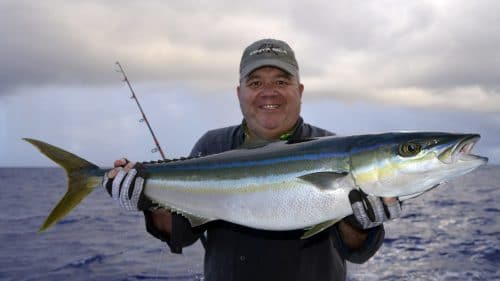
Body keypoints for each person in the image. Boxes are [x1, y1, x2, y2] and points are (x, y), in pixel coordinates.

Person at [103, 38, 402, 281]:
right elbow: (180, 232)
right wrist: (147, 200)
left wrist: (361, 224)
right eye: (256, 83)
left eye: (281, 81)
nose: (268, 92)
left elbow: (357, 251)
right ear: (239, 93)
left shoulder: (335, 148)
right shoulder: (213, 145)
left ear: (299, 91)